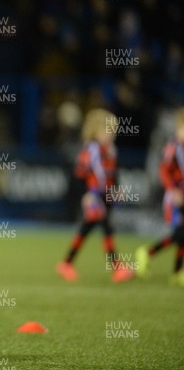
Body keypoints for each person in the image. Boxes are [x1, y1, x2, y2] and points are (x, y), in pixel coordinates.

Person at [56, 108, 134, 283]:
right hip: (93, 196)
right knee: (106, 227)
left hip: (105, 196)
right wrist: (86, 195)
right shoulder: (90, 151)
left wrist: (117, 189)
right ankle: (116, 267)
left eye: (113, 130)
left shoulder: (111, 150)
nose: (111, 134)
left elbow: (112, 174)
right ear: (96, 131)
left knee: (86, 229)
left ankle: (66, 263)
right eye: (108, 130)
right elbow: (79, 176)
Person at [136, 108, 184, 286]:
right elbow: (164, 170)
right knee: (180, 233)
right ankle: (148, 252)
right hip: (175, 197)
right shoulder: (173, 147)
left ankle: (177, 272)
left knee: (181, 235)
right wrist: (173, 190)